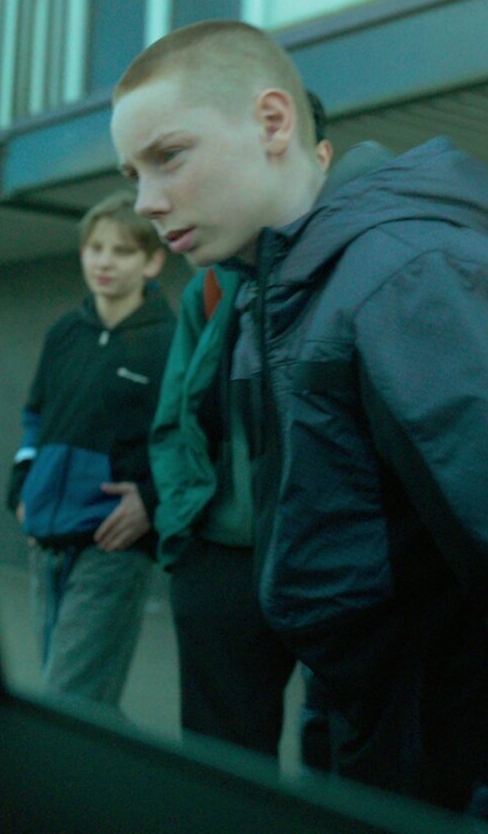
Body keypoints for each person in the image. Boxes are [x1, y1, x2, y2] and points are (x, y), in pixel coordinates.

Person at [110, 21, 488, 831]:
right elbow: (344, 582)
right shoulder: (276, 298)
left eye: (169, 156)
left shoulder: (410, 279)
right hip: (398, 759)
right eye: (132, 174)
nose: (146, 201)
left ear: (273, 122)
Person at [148, 91, 331, 757]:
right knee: (221, 763)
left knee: (344, 760)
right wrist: (185, 536)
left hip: (329, 563)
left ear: (318, 155)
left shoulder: (358, 270)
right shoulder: (212, 284)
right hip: (222, 560)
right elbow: (174, 418)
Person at [6, 192, 174, 707]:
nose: (104, 261)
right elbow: (35, 417)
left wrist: (151, 499)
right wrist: (23, 485)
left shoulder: (170, 341)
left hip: (112, 544)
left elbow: (191, 436)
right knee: (76, 698)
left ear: (152, 262)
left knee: (70, 697)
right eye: (96, 248)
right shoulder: (64, 332)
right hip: (46, 540)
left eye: (122, 251)